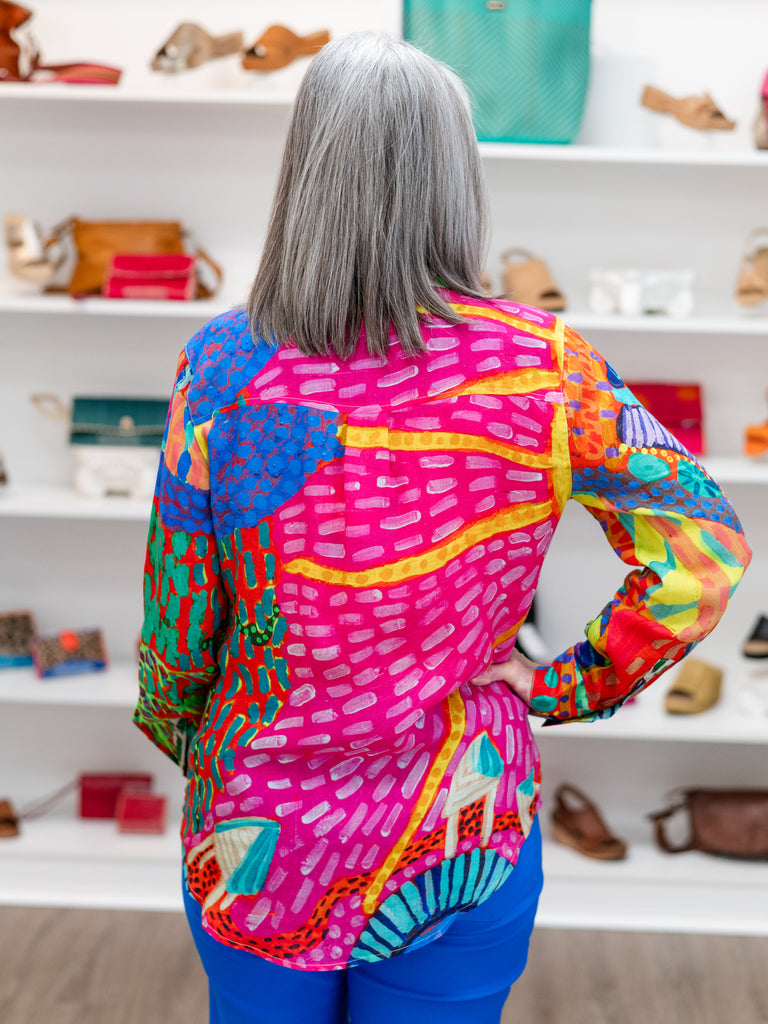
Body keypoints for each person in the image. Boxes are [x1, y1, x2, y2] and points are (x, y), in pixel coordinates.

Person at [133, 31, 751, 1024]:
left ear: (304, 171)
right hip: (461, 824)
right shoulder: (545, 365)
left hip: (259, 825)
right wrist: (569, 680)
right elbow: (703, 554)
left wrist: (192, 742)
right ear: (455, 178)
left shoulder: (222, 365)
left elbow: (178, 612)